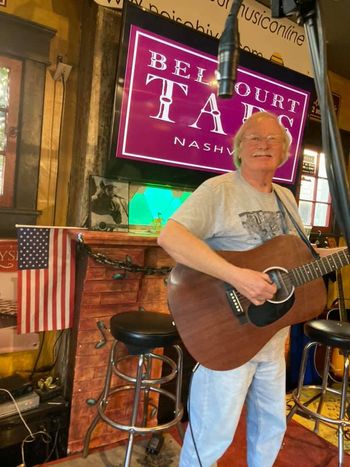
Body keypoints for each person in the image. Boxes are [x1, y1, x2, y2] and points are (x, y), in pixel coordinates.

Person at [157, 111, 308, 467]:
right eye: (254, 138)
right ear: (239, 149)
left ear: (285, 151)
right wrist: (237, 276)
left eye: (273, 139)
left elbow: (301, 258)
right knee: (213, 434)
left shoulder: (286, 198)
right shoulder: (218, 190)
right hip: (228, 334)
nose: (263, 145)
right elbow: (170, 237)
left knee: (271, 426)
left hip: (272, 337)